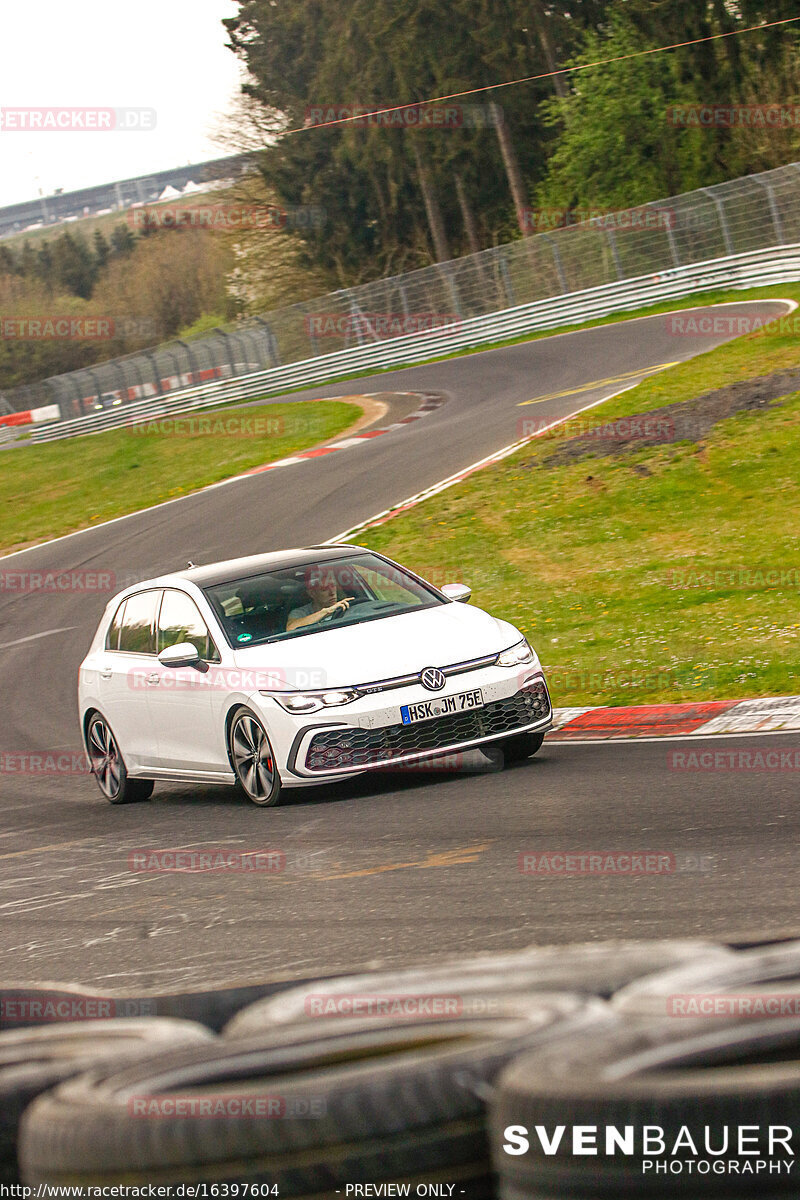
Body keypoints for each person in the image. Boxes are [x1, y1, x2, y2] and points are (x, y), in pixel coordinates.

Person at [286, 565, 355, 632]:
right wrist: (326, 611)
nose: (332, 593)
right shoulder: (301, 612)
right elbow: (291, 628)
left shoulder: (346, 604)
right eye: (324, 589)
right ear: (312, 594)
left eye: (333, 586)